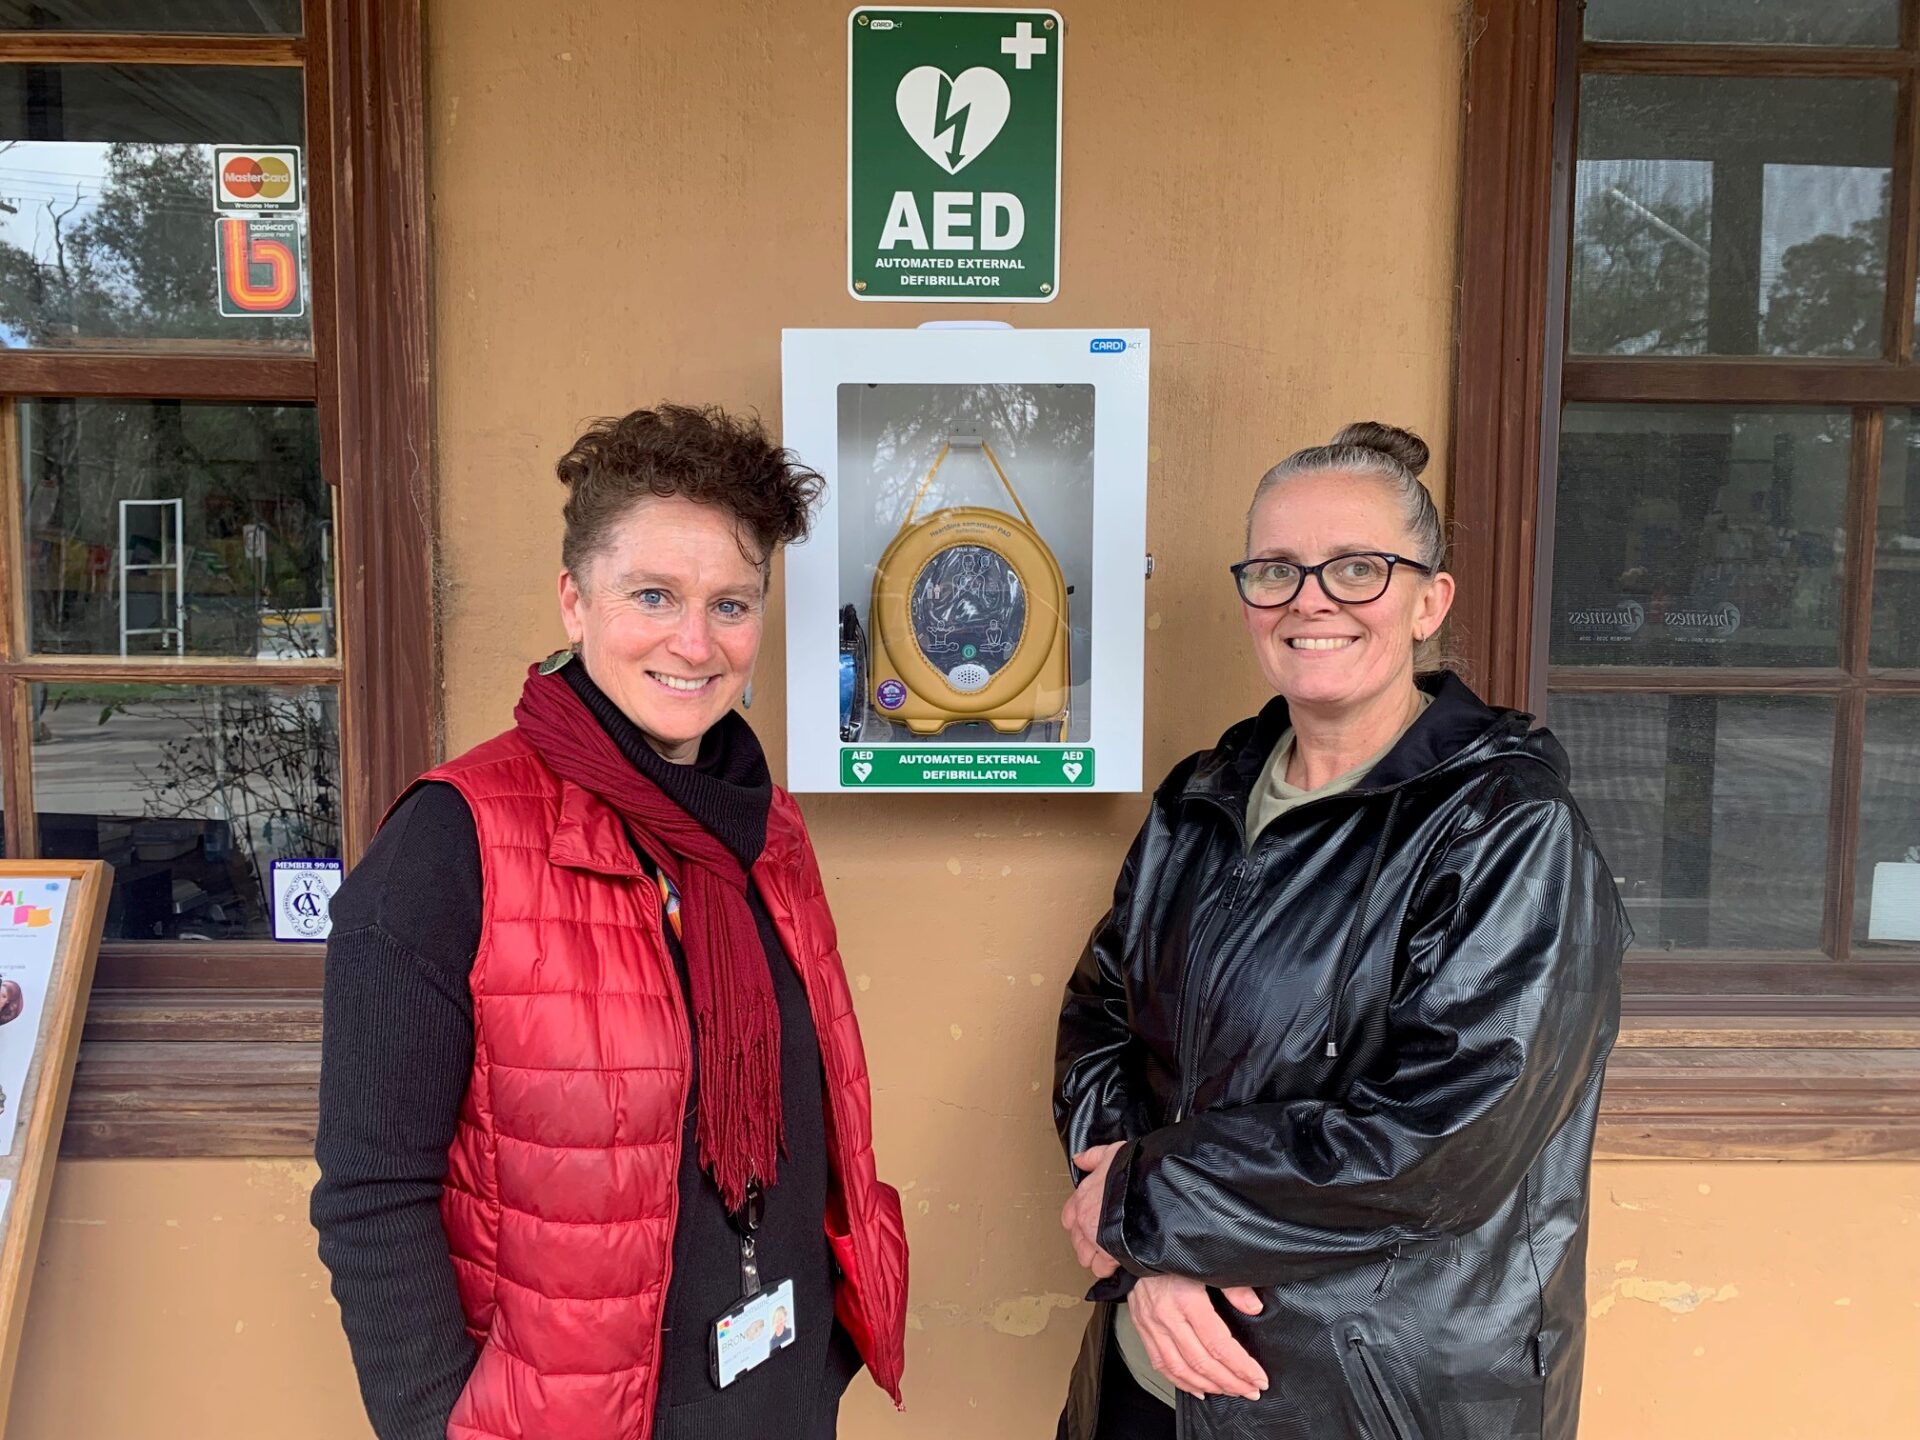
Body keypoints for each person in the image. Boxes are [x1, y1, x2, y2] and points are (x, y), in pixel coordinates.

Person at [312, 405, 908, 1440]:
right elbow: (373, 1195)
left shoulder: (765, 829)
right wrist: (435, 1424)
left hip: (776, 1393)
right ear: (574, 601)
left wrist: (824, 1361)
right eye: (653, 595)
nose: (695, 641)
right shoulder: (454, 843)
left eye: (732, 603)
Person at [1053, 422, 1627, 1440]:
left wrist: (1148, 1205)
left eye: (1357, 569)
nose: (1310, 599)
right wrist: (1147, 1249)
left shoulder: (1508, 827)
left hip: (1368, 1391)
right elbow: (1103, 1020)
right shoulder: (1203, 799)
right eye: (1277, 570)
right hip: (1157, 1373)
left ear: (1427, 602)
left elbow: (1441, 1142)